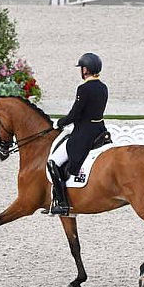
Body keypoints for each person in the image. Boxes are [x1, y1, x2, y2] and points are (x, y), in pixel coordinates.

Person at [47, 53, 108, 216]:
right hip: (100, 130)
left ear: (86, 69)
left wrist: (58, 123)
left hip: (84, 133)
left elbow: (75, 114)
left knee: (53, 162)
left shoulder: (84, 88)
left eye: (81, 68)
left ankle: (62, 203)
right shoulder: (103, 87)